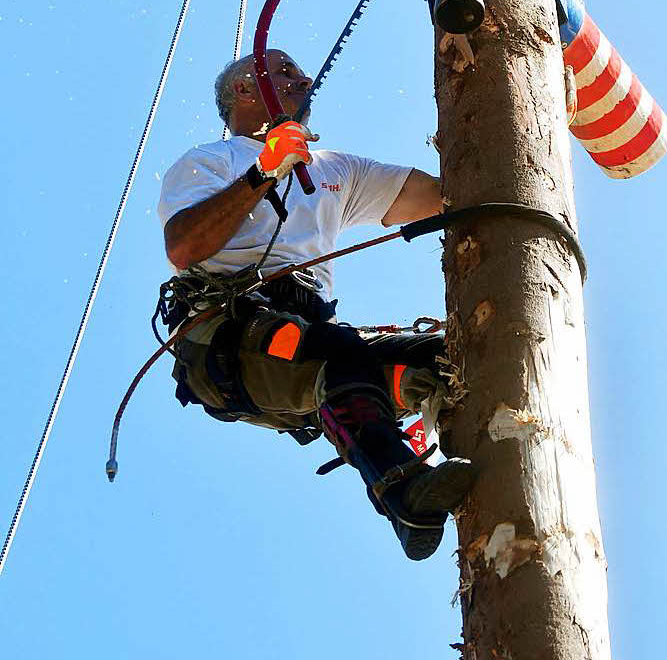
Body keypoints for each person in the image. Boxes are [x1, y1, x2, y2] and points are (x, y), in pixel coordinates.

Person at [158, 49, 475, 560]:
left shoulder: (333, 171)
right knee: (338, 352)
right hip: (230, 340)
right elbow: (185, 247)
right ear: (244, 89)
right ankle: (401, 491)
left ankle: (460, 483)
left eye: (299, 72)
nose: (302, 78)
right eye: (284, 71)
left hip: (305, 337)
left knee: (440, 360)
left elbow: (444, 196)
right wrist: (265, 170)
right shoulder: (210, 163)